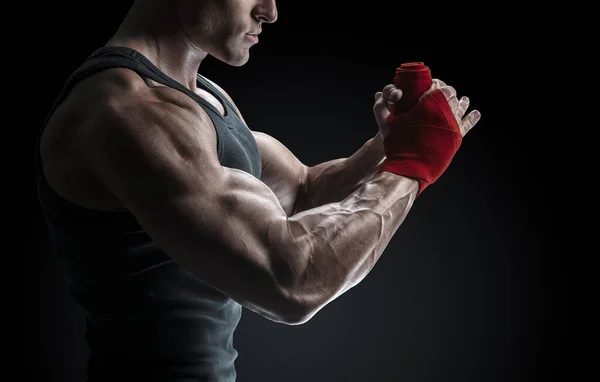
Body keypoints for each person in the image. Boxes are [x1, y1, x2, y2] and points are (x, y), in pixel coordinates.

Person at [35, 0, 481, 380]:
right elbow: (291, 280)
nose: (270, 11)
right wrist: (412, 166)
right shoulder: (129, 112)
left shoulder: (200, 97)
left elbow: (304, 192)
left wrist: (388, 147)